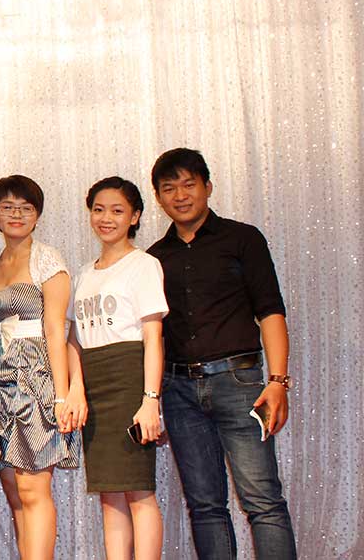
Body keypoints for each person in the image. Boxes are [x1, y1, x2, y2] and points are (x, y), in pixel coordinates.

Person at [147, 148, 296, 559]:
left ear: (208, 187)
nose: (180, 195)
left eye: (189, 184)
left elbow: (270, 311)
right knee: (205, 507)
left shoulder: (242, 239)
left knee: (262, 501)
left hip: (240, 383)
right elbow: (150, 335)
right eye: (169, 188)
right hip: (178, 390)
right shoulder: (154, 258)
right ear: (158, 197)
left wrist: (278, 382)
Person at [66, 177, 167, 560]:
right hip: (93, 386)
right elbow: (73, 340)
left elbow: (153, 337)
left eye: (117, 210)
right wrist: (76, 388)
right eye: (98, 209)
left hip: (129, 381)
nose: (106, 218)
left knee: (139, 491)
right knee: (109, 494)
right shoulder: (82, 274)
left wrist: (150, 400)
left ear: (135, 216)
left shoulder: (144, 265)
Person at [0, 174, 78, 560]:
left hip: (34, 379)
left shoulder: (47, 260)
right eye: (7, 207)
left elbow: (56, 330)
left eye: (25, 207)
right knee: (13, 491)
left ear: (37, 215)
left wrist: (61, 395)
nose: (16, 214)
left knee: (33, 489)